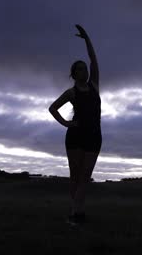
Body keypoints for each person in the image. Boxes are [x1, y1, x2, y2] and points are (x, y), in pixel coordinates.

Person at [49, 24, 101, 225]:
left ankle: (75, 212)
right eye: (80, 69)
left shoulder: (94, 85)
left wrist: (87, 38)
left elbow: (93, 60)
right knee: (75, 177)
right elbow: (53, 108)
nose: (85, 71)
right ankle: (77, 213)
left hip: (94, 135)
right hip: (75, 136)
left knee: (85, 177)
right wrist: (66, 124)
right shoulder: (71, 93)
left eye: (85, 68)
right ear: (73, 73)